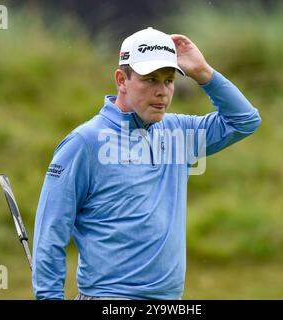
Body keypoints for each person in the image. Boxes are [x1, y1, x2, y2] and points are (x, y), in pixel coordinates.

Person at [32, 27, 261, 300]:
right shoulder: (84, 142)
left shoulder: (179, 133)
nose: (162, 92)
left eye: (168, 80)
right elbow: (52, 231)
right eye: (150, 79)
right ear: (122, 80)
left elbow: (244, 120)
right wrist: (48, 296)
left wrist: (203, 73)